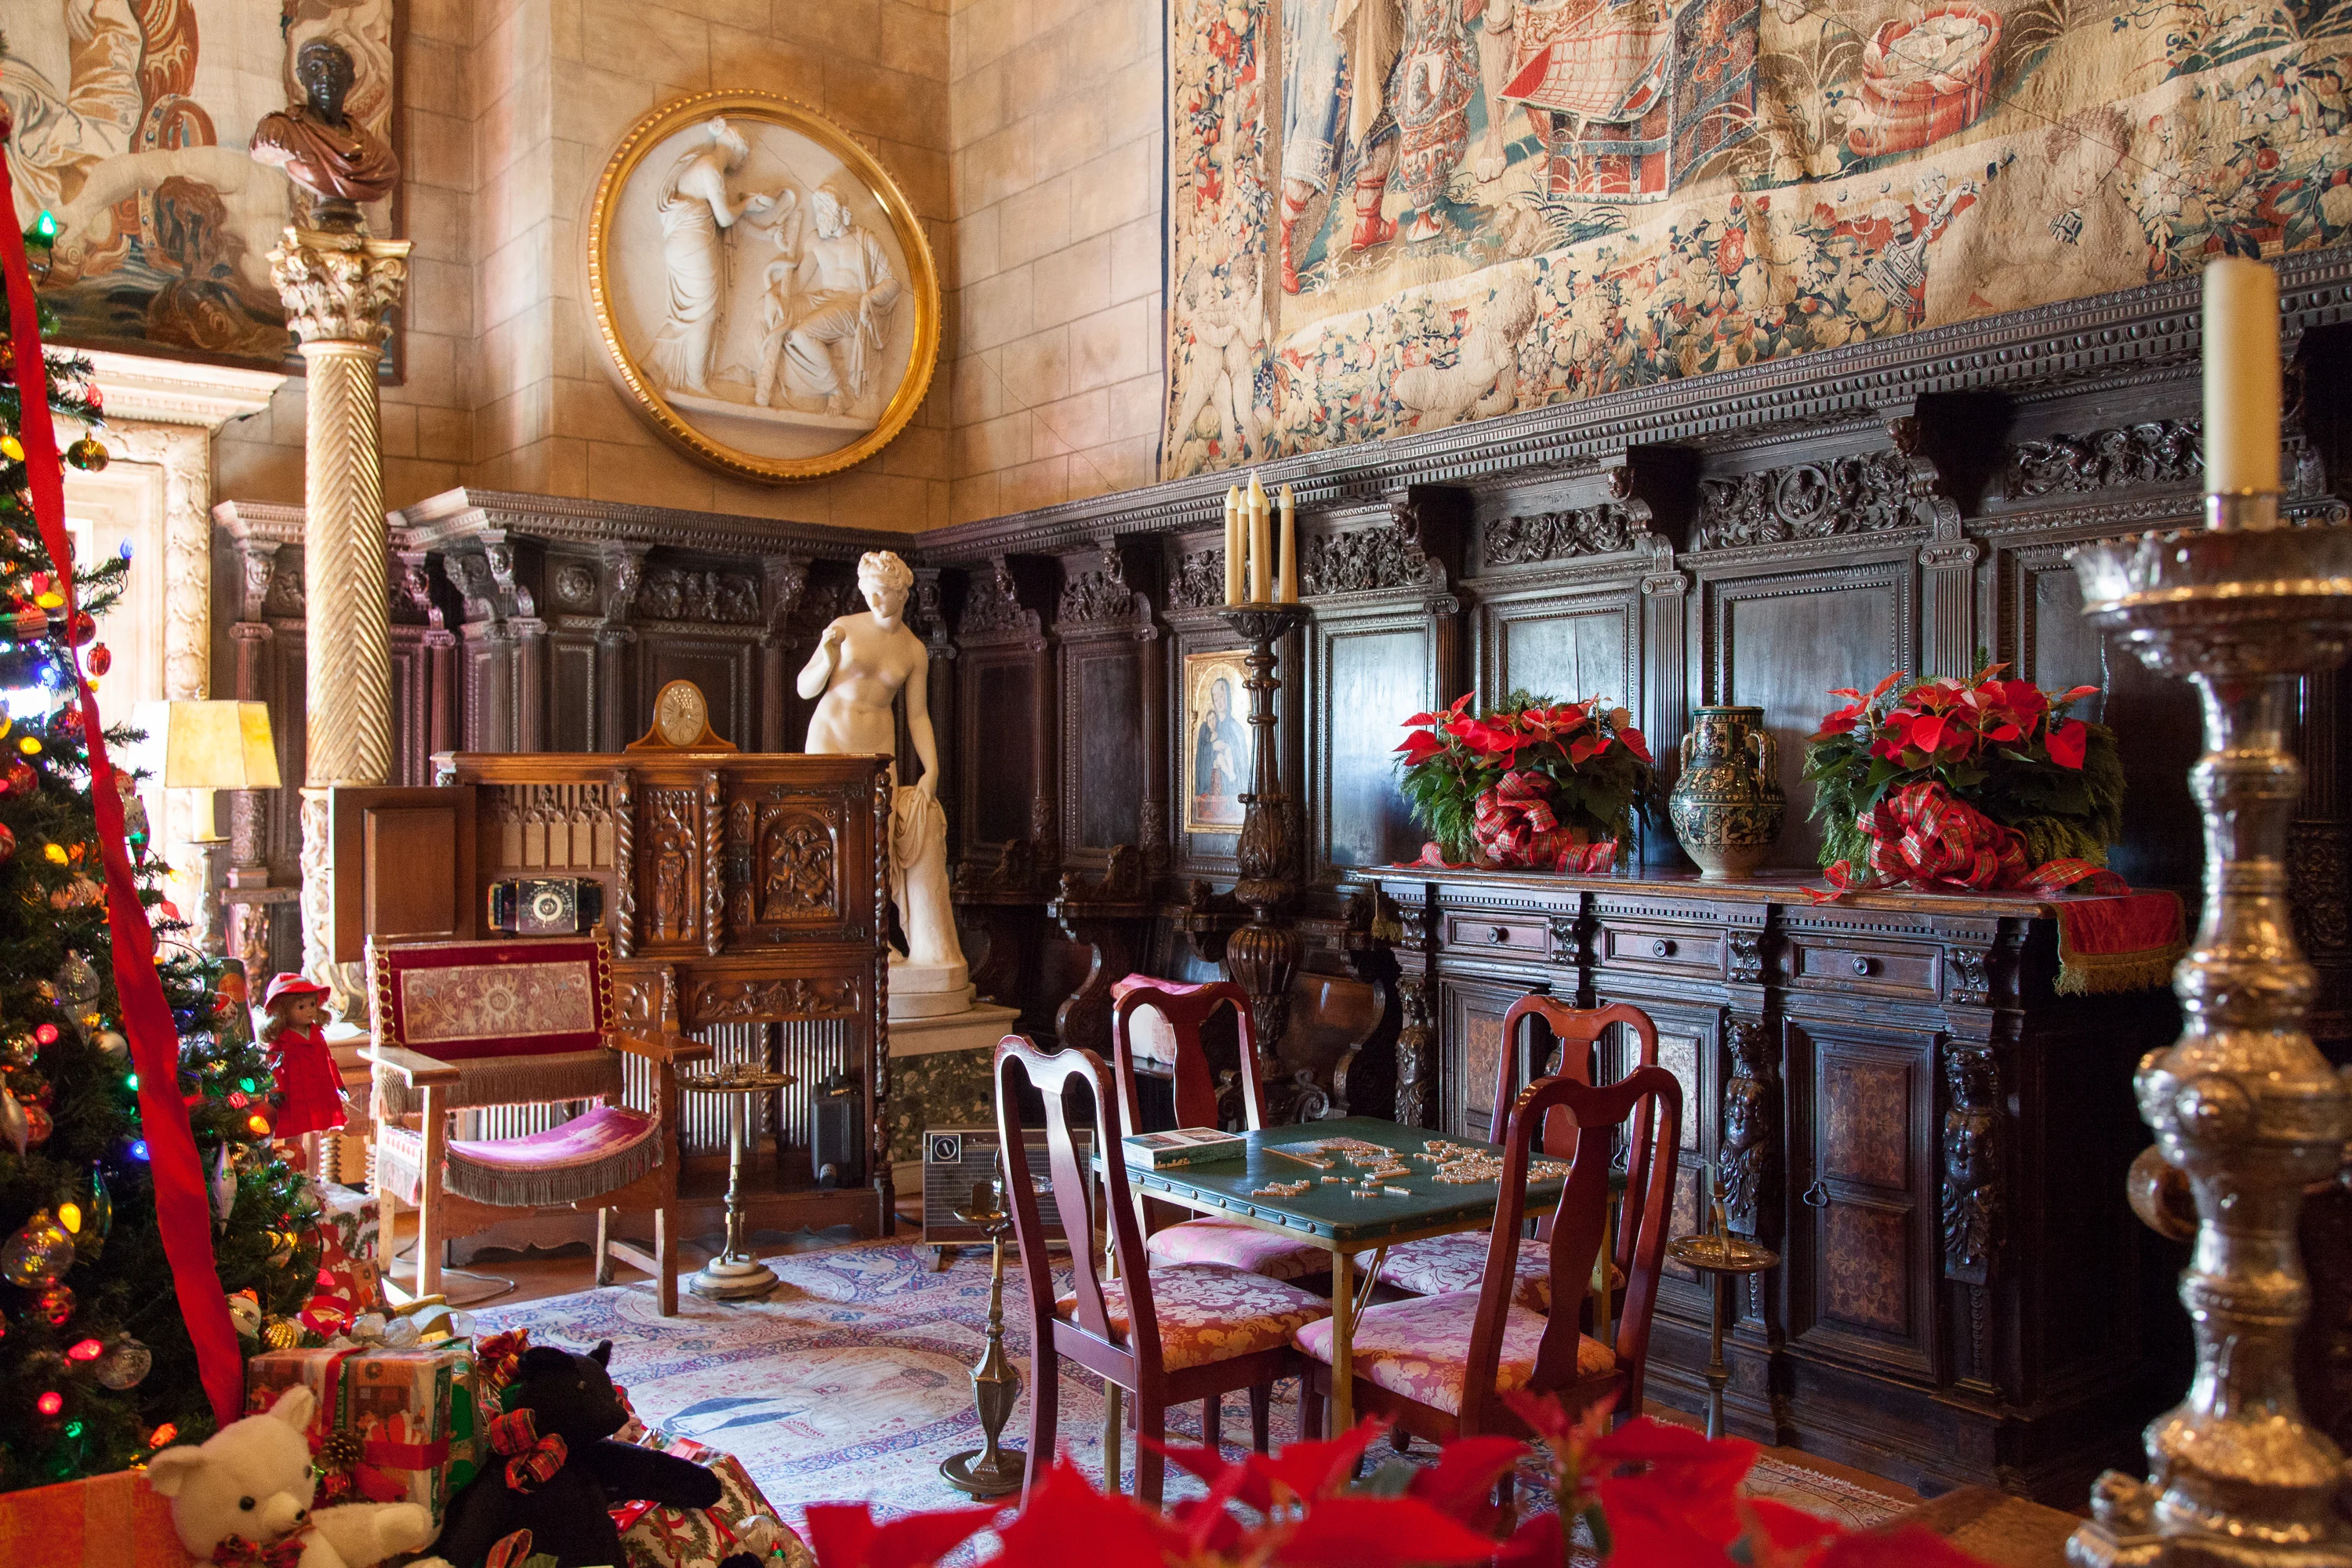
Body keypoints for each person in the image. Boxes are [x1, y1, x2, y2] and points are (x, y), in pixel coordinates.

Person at [799, 553, 967, 991]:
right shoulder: (846, 627)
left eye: (883, 593)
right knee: (837, 843)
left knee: (877, 848)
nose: (873, 599)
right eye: (868, 591)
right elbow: (805, 688)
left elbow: (917, 716)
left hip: (878, 751)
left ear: (902, 595)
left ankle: (874, 936)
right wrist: (827, 653)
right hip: (831, 740)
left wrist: (931, 770)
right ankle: (842, 936)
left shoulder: (912, 649)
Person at [645, 118, 767, 396]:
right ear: (736, 147)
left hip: (683, 242)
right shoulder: (711, 168)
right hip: (693, 244)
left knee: (686, 313)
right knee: (705, 312)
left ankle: (653, 365)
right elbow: (724, 218)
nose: (743, 162)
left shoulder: (699, 164)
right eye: (744, 155)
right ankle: (696, 382)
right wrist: (747, 204)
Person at [248, 40, 400, 221]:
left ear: (351, 80)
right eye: (314, 68)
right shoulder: (278, 132)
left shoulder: (380, 160)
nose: (326, 75)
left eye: (335, 68)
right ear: (300, 76)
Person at [259, 972, 343, 1180]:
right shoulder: (280, 1040)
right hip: (294, 1094)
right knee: (294, 1137)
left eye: (312, 1004)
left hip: (318, 1091)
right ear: (283, 1011)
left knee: (316, 1136)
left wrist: (338, 1085)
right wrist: (275, 1090)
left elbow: (329, 1061)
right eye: (301, 1007)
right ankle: (294, 1178)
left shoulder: (316, 1034)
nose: (309, 1011)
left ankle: (313, 1176)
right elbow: (273, 1067)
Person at [1193, 675, 1247, 822]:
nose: (1219, 700)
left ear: (1228, 696)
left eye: (1222, 695)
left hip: (1231, 798)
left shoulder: (1236, 729)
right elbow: (1199, 761)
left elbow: (1243, 769)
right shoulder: (1205, 730)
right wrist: (1212, 748)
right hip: (1211, 795)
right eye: (1215, 697)